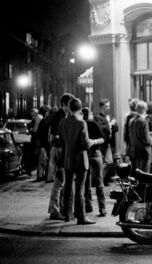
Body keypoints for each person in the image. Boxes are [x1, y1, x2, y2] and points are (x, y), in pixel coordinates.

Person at [59, 97, 102, 225]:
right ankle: (81, 217)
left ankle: (67, 214)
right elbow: (87, 144)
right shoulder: (81, 123)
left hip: (68, 158)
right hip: (81, 159)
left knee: (67, 187)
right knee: (80, 189)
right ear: (80, 109)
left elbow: (61, 139)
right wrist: (97, 140)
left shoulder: (62, 122)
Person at [47, 93, 74, 221]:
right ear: (63, 104)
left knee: (61, 181)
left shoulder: (65, 116)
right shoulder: (58, 117)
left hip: (62, 151)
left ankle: (58, 208)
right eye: (69, 104)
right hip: (59, 151)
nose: (71, 107)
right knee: (59, 181)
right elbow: (53, 137)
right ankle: (54, 210)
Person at [82, 107, 106, 217]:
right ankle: (102, 208)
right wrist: (94, 142)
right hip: (96, 153)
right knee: (99, 182)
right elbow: (103, 138)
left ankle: (88, 206)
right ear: (89, 114)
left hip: (84, 155)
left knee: (86, 182)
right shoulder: (93, 123)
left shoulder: (80, 124)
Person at [94, 98, 118, 185]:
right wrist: (110, 124)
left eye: (109, 106)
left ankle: (99, 180)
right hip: (102, 142)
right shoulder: (97, 117)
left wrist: (111, 126)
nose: (108, 108)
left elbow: (116, 128)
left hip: (109, 142)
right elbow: (100, 128)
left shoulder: (109, 116)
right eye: (106, 106)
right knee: (104, 162)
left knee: (108, 161)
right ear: (101, 107)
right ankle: (99, 180)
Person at [129, 100, 152, 173]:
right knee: (145, 175)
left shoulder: (131, 121)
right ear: (145, 110)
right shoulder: (143, 121)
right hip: (144, 151)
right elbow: (146, 140)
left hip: (135, 151)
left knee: (138, 174)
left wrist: (148, 133)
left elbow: (133, 136)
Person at [34, 106, 50, 181]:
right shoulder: (45, 121)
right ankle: (42, 175)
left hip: (43, 144)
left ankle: (40, 175)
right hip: (46, 144)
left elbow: (38, 134)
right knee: (44, 161)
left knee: (41, 161)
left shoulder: (43, 121)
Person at [123, 98, 139, 164]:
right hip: (137, 142)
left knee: (131, 160)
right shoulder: (138, 117)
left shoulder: (127, 116)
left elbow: (125, 131)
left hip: (129, 141)